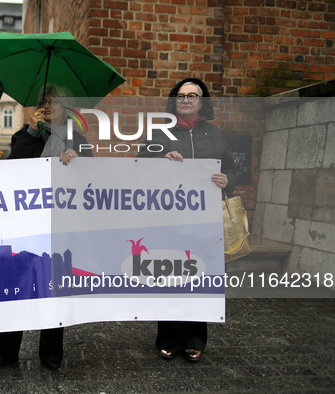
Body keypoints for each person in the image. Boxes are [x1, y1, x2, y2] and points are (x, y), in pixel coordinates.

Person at [0, 85, 93, 371]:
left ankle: (50, 351)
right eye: (44, 103)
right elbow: (13, 168)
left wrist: (78, 159)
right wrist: (32, 133)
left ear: (67, 108)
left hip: (60, 224)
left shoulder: (79, 140)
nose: (47, 107)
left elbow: (91, 179)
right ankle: (5, 351)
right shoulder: (26, 135)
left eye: (54, 103)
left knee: (53, 286)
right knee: (18, 285)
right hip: (27, 224)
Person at [137, 78, 236, 363]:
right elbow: (139, 164)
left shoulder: (215, 134)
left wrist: (228, 180)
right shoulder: (160, 133)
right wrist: (160, 160)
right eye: (181, 96)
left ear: (202, 101)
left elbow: (229, 167)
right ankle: (168, 338)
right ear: (174, 101)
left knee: (200, 277)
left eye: (193, 95)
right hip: (168, 219)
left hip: (205, 220)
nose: (187, 100)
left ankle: (194, 338)